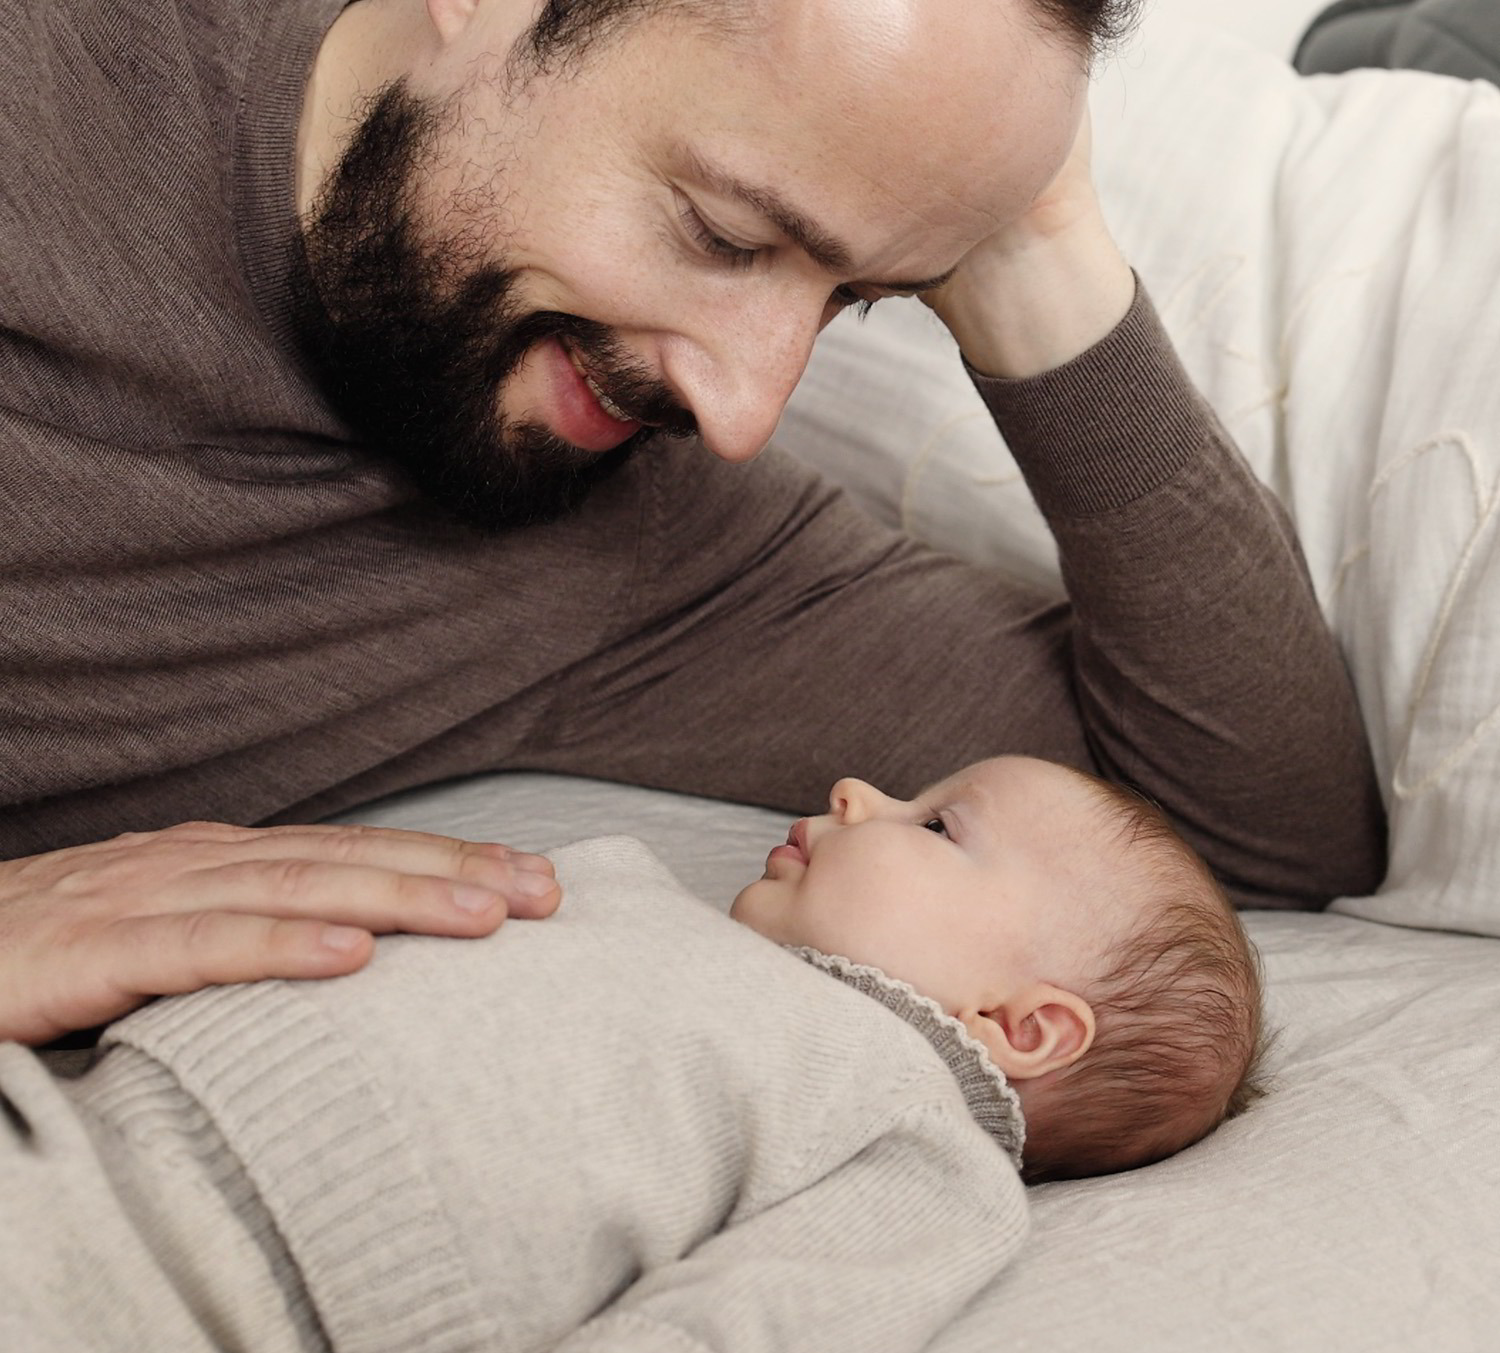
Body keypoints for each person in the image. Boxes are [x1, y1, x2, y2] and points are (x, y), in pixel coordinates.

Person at [0, 0, 1386, 1048]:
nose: (745, 408)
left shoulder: (632, 535)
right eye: (725, 235)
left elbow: (1252, 831)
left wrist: (1035, 246)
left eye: (856, 298)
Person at [0, 754, 1262, 1353]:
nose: (858, 788)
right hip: (87, 1119)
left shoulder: (921, 1141)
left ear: (1022, 1028)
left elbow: (808, 1305)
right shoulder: (642, 898)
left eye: (936, 824)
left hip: (231, 1338)